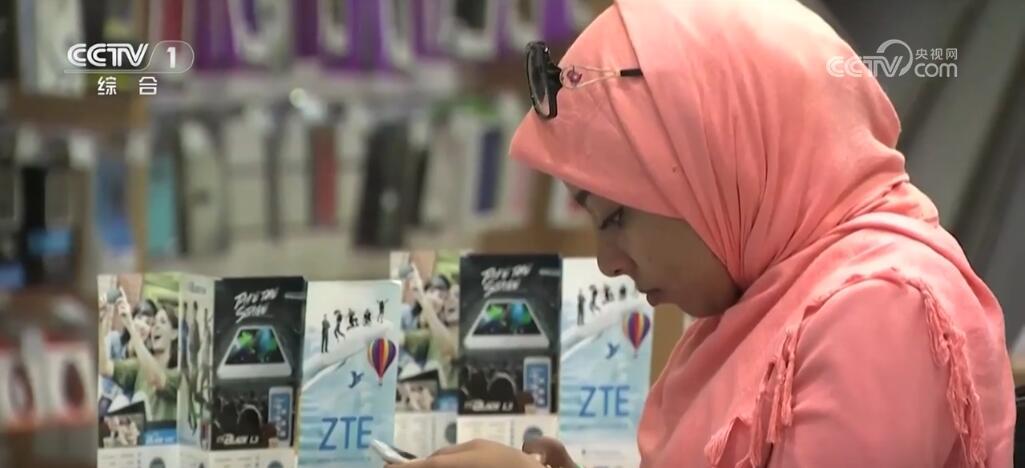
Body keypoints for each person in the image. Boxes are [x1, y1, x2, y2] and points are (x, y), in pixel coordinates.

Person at [393, 0, 1015, 467]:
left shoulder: (880, 311)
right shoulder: (770, 306)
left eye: (616, 217)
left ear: (722, 163)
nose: (608, 262)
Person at [99, 291, 181, 424]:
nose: (155, 327)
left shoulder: (179, 373)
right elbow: (104, 367)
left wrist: (131, 326)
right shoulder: (139, 364)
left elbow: (157, 380)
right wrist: (100, 321)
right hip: (136, 433)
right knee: (121, 401)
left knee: (139, 398)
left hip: (161, 434)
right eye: (153, 324)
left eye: (162, 322)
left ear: (174, 333)